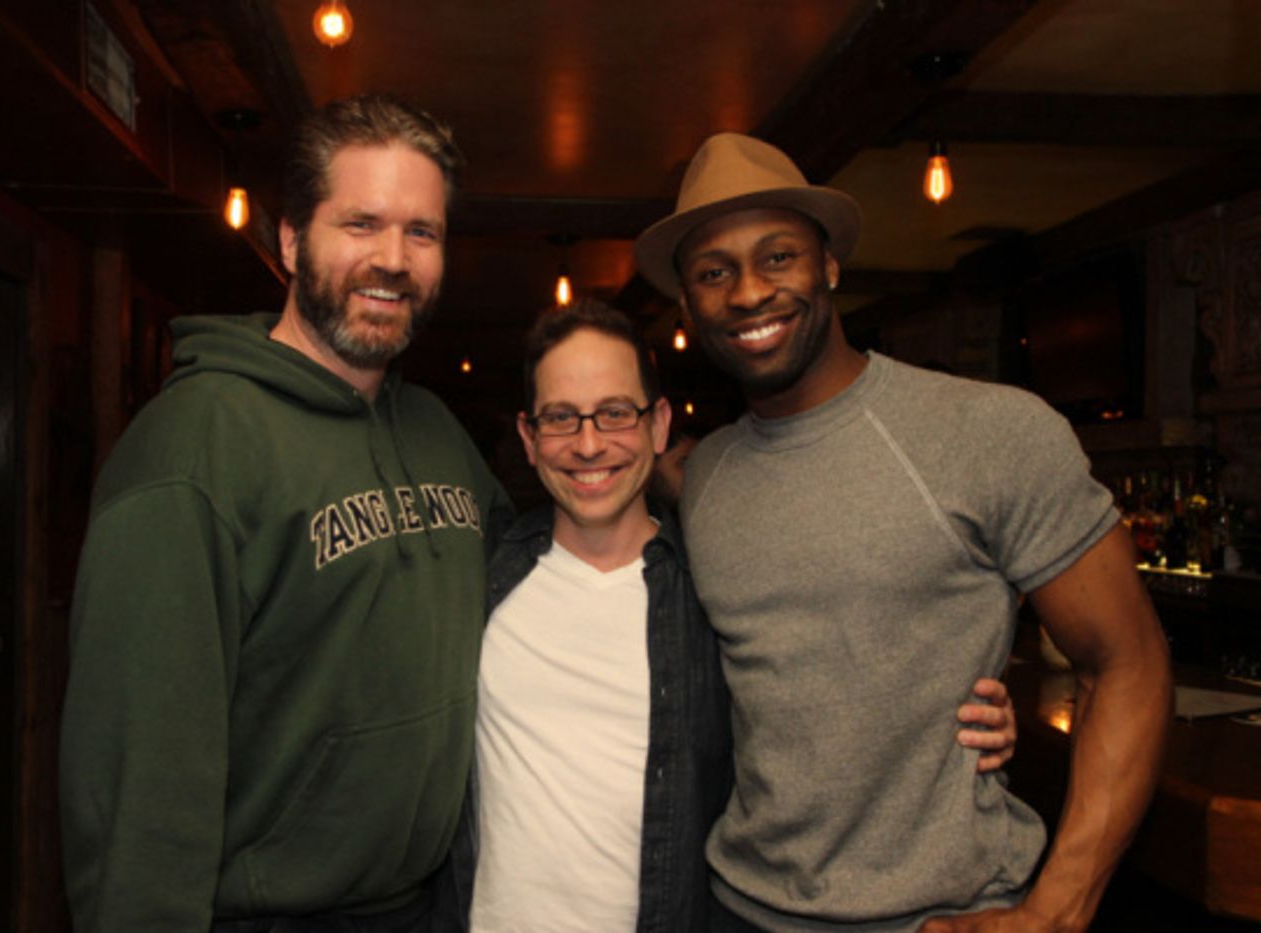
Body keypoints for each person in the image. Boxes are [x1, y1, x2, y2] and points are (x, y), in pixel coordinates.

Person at [633, 132, 1172, 932]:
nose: (748, 292)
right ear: (689, 306)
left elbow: (1127, 662)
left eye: (777, 256)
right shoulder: (702, 473)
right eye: (714, 272)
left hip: (940, 916)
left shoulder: (987, 431)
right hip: (739, 908)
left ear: (831, 266)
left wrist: (1059, 909)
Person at [59, 94, 510, 933]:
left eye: (423, 232)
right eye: (361, 223)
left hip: (430, 904)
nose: (393, 259)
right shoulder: (193, 451)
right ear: (292, 239)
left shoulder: (438, 434)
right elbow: (136, 783)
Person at [445, 300, 1020, 933]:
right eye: (561, 418)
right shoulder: (477, 580)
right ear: (529, 438)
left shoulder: (718, 591)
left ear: (658, 425)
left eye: (615, 413)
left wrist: (953, 715)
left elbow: (831, 700)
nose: (588, 444)